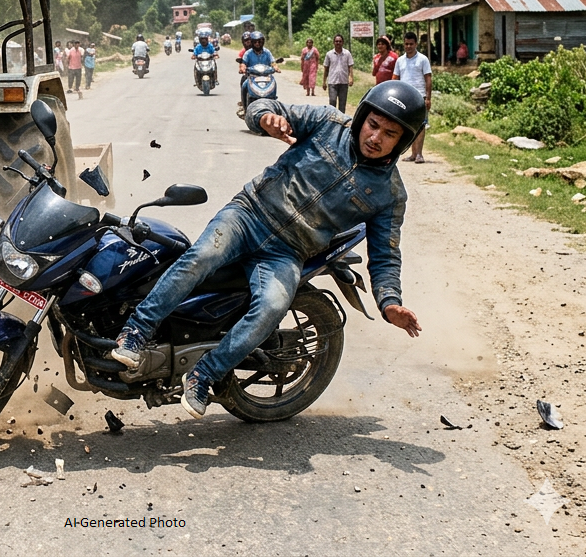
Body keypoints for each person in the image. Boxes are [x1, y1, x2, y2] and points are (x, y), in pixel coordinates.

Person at [109, 81, 426, 417]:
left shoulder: (390, 195)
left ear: (403, 141)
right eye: (373, 125)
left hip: (288, 251)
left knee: (273, 306)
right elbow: (264, 106)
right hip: (250, 213)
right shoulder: (327, 123)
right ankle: (136, 331)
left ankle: (204, 374)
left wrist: (390, 303)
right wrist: (265, 118)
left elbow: (385, 255)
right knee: (202, 256)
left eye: (389, 133)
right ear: (362, 117)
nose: (375, 138)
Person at [393, 31, 433, 164]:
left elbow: (428, 78)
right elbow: (395, 78)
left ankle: (419, 154)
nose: (408, 46)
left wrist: (428, 97)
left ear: (416, 44)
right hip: (404, 97)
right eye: (406, 44)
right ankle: (412, 153)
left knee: (420, 125)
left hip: (420, 96)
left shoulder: (423, 59)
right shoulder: (400, 61)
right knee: (407, 126)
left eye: (411, 44)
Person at [238, 30, 274, 111]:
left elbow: (273, 62)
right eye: (255, 42)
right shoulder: (248, 53)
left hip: (266, 77)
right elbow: (243, 63)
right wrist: (243, 68)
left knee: (274, 83)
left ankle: (274, 104)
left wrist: (276, 67)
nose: (257, 44)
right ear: (252, 43)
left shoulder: (267, 52)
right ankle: (245, 108)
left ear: (263, 42)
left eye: (259, 42)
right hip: (252, 77)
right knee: (244, 85)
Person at [322, 34, 354, 112]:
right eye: (336, 41)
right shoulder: (329, 54)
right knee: (332, 101)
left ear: (342, 42)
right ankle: (332, 120)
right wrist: (324, 82)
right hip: (332, 82)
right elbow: (326, 68)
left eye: (340, 41)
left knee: (342, 104)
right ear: (334, 42)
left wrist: (351, 78)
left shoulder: (347, 53)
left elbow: (350, 66)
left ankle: (341, 121)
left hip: (343, 82)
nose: (338, 43)